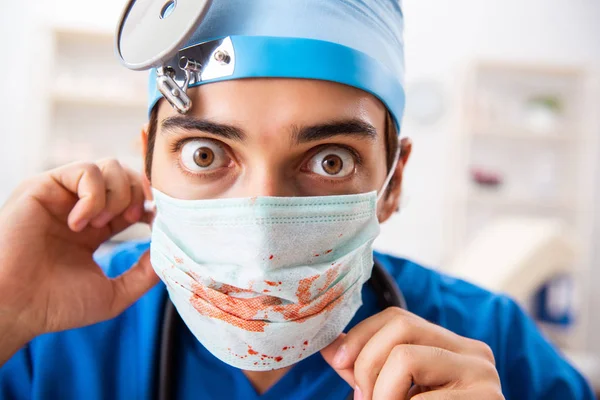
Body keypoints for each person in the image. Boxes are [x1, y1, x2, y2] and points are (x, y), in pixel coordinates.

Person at [0, 1, 594, 399]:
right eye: (205, 154)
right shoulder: (46, 327)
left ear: (396, 180)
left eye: (328, 161)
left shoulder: (491, 338)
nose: (262, 235)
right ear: (149, 163)